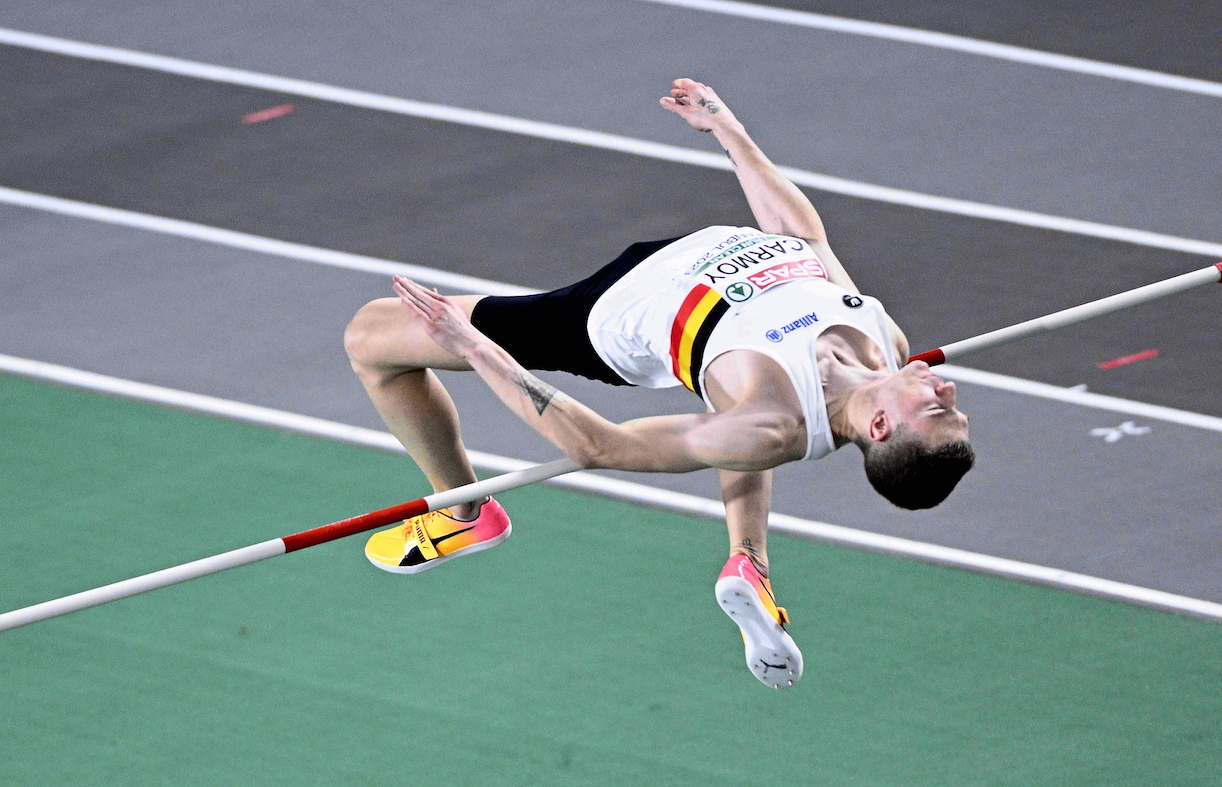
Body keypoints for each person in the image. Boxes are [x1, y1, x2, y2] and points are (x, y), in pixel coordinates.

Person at [344, 78, 974, 689]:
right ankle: (748, 559)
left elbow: (599, 446)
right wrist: (728, 131)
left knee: (370, 338)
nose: (945, 389)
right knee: (736, 424)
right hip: (694, 266)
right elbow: (803, 238)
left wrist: (475, 348)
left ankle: (461, 512)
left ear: (882, 427)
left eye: (936, 410)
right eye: (956, 407)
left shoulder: (770, 423)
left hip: (606, 314)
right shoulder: (884, 344)